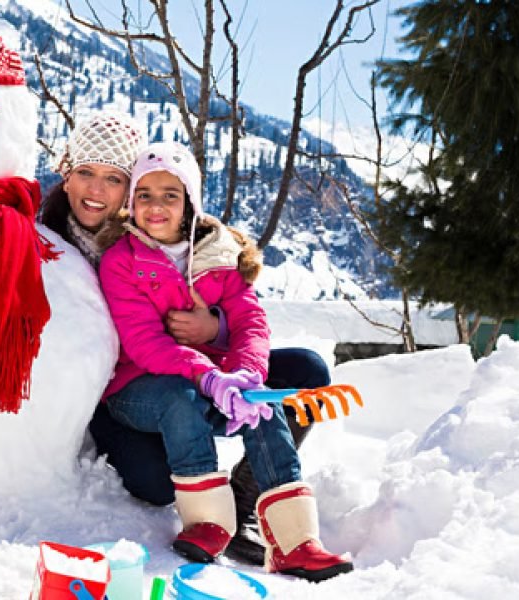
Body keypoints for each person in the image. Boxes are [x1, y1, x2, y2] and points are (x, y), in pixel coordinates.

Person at [40, 112, 329, 566]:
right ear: (66, 174)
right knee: (156, 485)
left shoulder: (201, 243)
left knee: (303, 373)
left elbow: (244, 312)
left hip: (191, 371)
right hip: (127, 387)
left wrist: (221, 338)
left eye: (113, 178)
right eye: (85, 173)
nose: (97, 191)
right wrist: (211, 374)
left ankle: (248, 500)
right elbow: (142, 341)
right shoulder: (53, 244)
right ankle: (205, 509)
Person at [95, 141, 352, 582]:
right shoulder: (123, 261)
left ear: (190, 203)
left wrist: (247, 373)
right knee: (178, 396)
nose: (156, 207)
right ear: (132, 202)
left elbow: (250, 320)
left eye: (170, 196)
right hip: (140, 388)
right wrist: (211, 377)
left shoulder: (221, 255)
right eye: (145, 195)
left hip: (213, 378)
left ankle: (294, 540)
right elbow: (145, 344)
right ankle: (208, 522)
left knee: (262, 401)